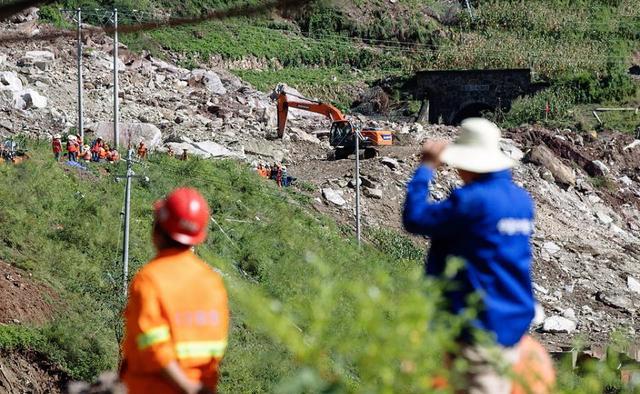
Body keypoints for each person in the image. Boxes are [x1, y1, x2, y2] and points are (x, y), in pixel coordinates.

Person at [402, 118, 549, 394]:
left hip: (478, 327)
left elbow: (415, 218)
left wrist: (426, 168)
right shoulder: (520, 201)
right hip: (511, 323)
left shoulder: (472, 201)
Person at [120, 188, 230, 394]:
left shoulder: (150, 279)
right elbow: (216, 349)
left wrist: (186, 387)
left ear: (157, 230)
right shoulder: (212, 282)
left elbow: (153, 347)